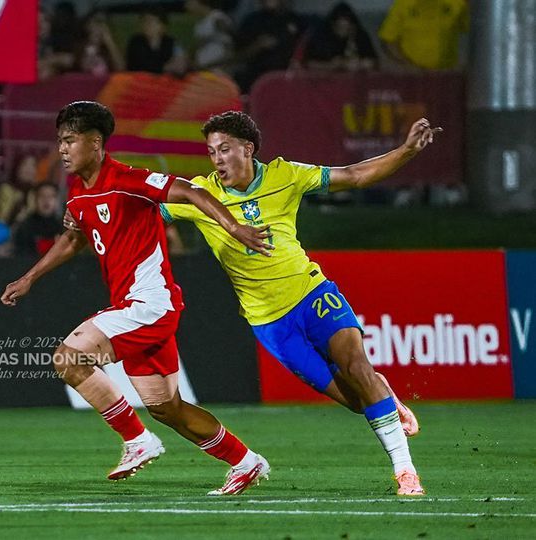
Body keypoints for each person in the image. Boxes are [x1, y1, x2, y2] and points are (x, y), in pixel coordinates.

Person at [156, 111, 440, 496]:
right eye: (211, 152)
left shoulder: (285, 175)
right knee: (358, 401)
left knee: (356, 364)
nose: (217, 159)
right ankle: (382, 394)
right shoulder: (201, 195)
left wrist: (406, 151)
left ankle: (406, 473)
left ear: (248, 148)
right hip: (270, 322)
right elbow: (143, 208)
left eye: (224, 149)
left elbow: (354, 175)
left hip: (312, 294)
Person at [1, 101, 272, 496]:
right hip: (143, 309)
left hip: (148, 304)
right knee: (168, 408)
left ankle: (136, 439)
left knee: (68, 357)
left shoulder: (128, 179)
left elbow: (193, 191)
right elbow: (75, 238)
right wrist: (29, 278)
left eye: (70, 140)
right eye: (60, 140)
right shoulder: (78, 193)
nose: (61, 149)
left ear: (95, 144)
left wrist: (235, 228)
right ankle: (246, 462)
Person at [379, 0, 469, 71]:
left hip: (448, 75)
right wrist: (408, 66)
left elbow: (475, 34)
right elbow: (388, 41)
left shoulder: (457, 3)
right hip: (416, 77)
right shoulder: (403, 4)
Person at [234, 0, 302, 92]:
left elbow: (304, 53)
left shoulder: (297, 21)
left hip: (284, 83)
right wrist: (256, 46)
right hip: (254, 81)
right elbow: (237, 57)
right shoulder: (251, 20)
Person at [304, 2, 378, 71]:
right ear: (333, 25)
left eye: (349, 27)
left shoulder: (360, 35)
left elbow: (374, 60)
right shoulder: (322, 37)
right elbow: (308, 63)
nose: (345, 31)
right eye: (340, 28)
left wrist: (362, 64)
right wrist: (331, 65)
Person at [125, 9, 188, 76]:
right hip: (139, 81)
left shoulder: (171, 42)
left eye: (151, 22)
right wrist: (165, 67)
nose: (147, 25)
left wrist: (181, 63)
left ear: (163, 26)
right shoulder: (136, 42)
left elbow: (180, 60)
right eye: (144, 21)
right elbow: (140, 65)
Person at [13, 182, 63, 256]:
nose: (46, 200)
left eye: (51, 196)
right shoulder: (25, 226)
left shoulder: (63, 227)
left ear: (56, 201)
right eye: (42, 196)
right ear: (35, 199)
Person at [185, 0, 234, 72]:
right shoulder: (200, 23)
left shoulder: (217, 18)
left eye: (190, 2)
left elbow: (230, 42)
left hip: (218, 68)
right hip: (202, 68)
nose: (186, 5)